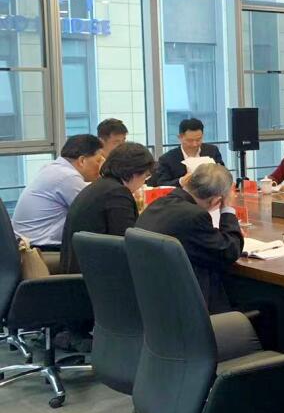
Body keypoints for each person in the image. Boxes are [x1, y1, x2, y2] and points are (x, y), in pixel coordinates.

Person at [135, 163, 243, 313]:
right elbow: (229, 251)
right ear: (215, 201)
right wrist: (227, 209)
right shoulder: (194, 216)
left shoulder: (158, 204)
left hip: (152, 303)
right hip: (189, 308)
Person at [59, 142, 155, 273]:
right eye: (145, 176)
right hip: (96, 275)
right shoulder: (117, 194)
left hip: (79, 271)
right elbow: (127, 243)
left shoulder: (100, 187)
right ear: (134, 173)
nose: (144, 182)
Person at [12, 134, 105, 247]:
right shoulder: (68, 177)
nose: (100, 166)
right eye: (98, 161)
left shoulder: (54, 168)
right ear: (82, 161)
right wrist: (105, 176)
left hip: (27, 244)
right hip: (42, 249)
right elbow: (95, 211)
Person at [153, 118, 225, 185]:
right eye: (190, 140)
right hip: (181, 193)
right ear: (180, 137)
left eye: (198, 139)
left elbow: (224, 175)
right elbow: (162, 184)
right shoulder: (167, 159)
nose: (194, 144)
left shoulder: (212, 151)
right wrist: (180, 181)